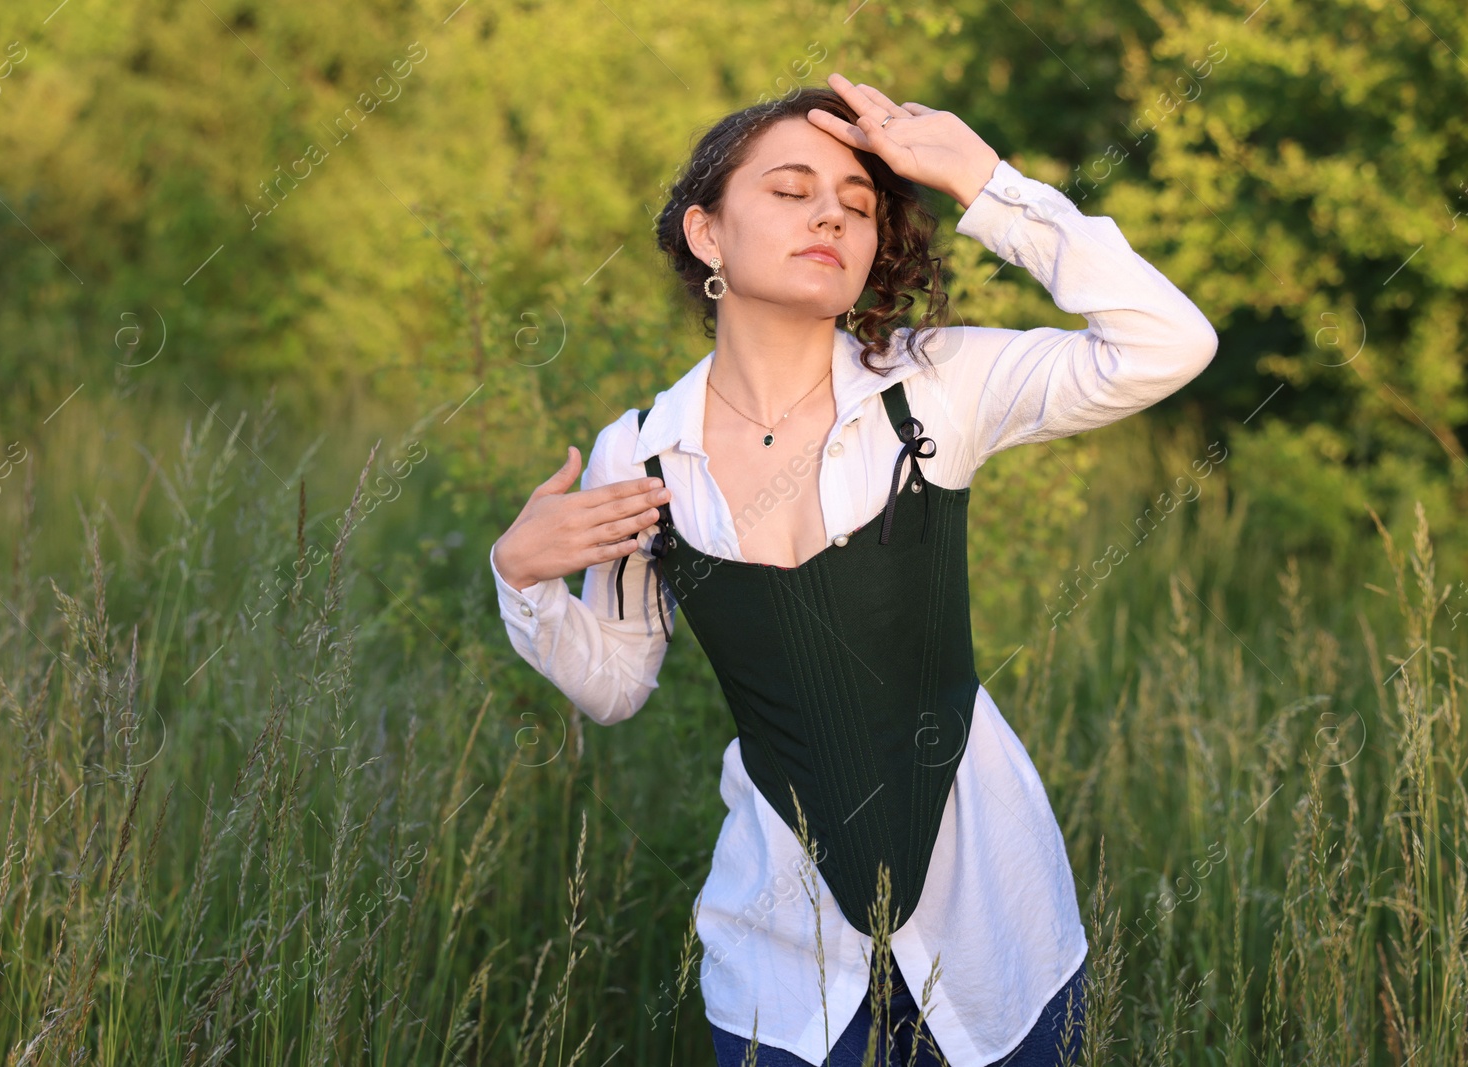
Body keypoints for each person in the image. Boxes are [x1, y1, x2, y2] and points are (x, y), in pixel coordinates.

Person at [490, 73, 1217, 1066]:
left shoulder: (932, 387)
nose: (830, 211)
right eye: (790, 191)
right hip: (782, 968)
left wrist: (984, 181)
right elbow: (614, 683)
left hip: (992, 938)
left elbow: (1168, 341)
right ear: (707, 233)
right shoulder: (641, 455)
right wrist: (521, 576)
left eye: (858, 204)